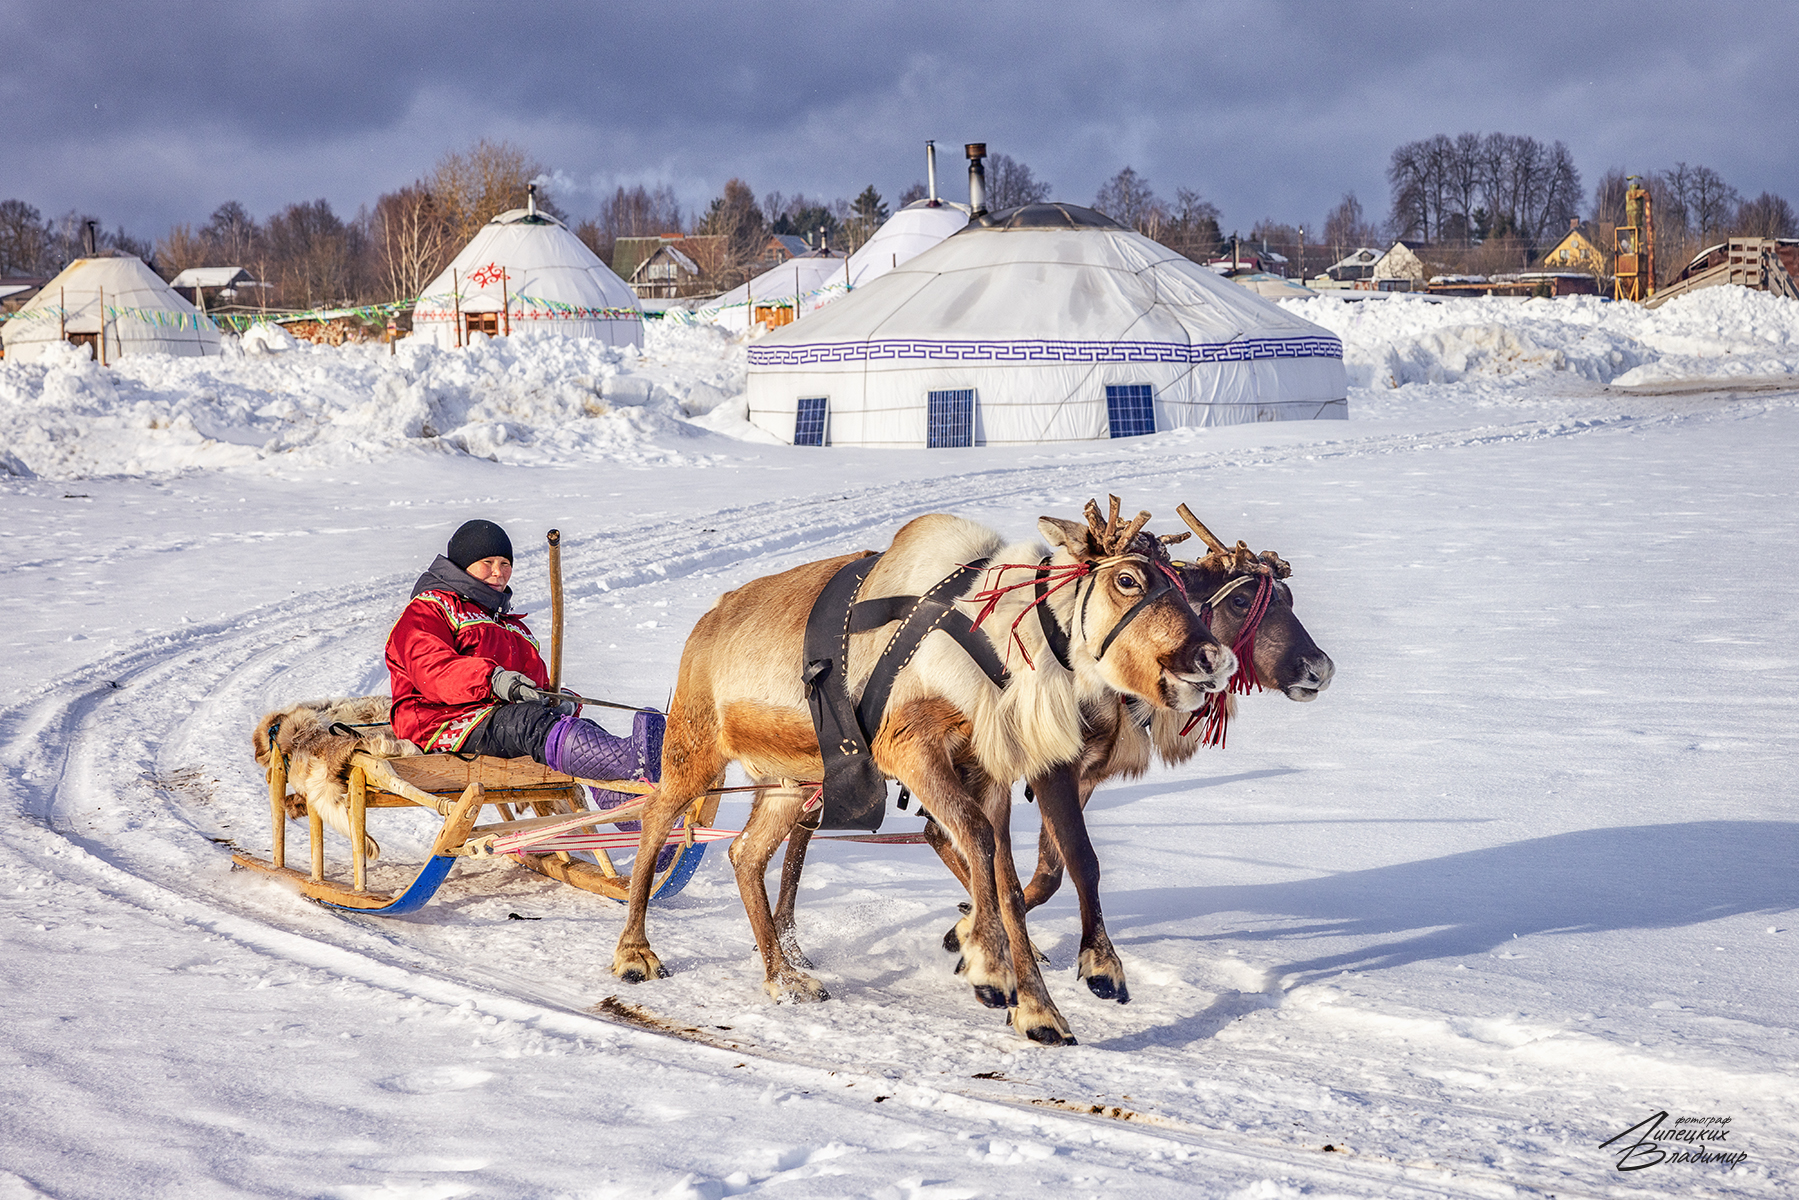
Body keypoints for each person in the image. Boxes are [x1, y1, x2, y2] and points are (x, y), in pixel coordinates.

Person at [385, 519, 659, 784]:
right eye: (487, 563)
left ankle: (634, 802)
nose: (498, 572)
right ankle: (630, 760)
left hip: (496, 719)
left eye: (505, 564)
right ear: (463, 565)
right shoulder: (428, 608)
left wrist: (557, 699)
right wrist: (493, 680)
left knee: (568, 725)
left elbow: (530, 685)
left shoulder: (511, 627)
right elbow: (432, 672)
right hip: (438, 722)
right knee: (527, 723)